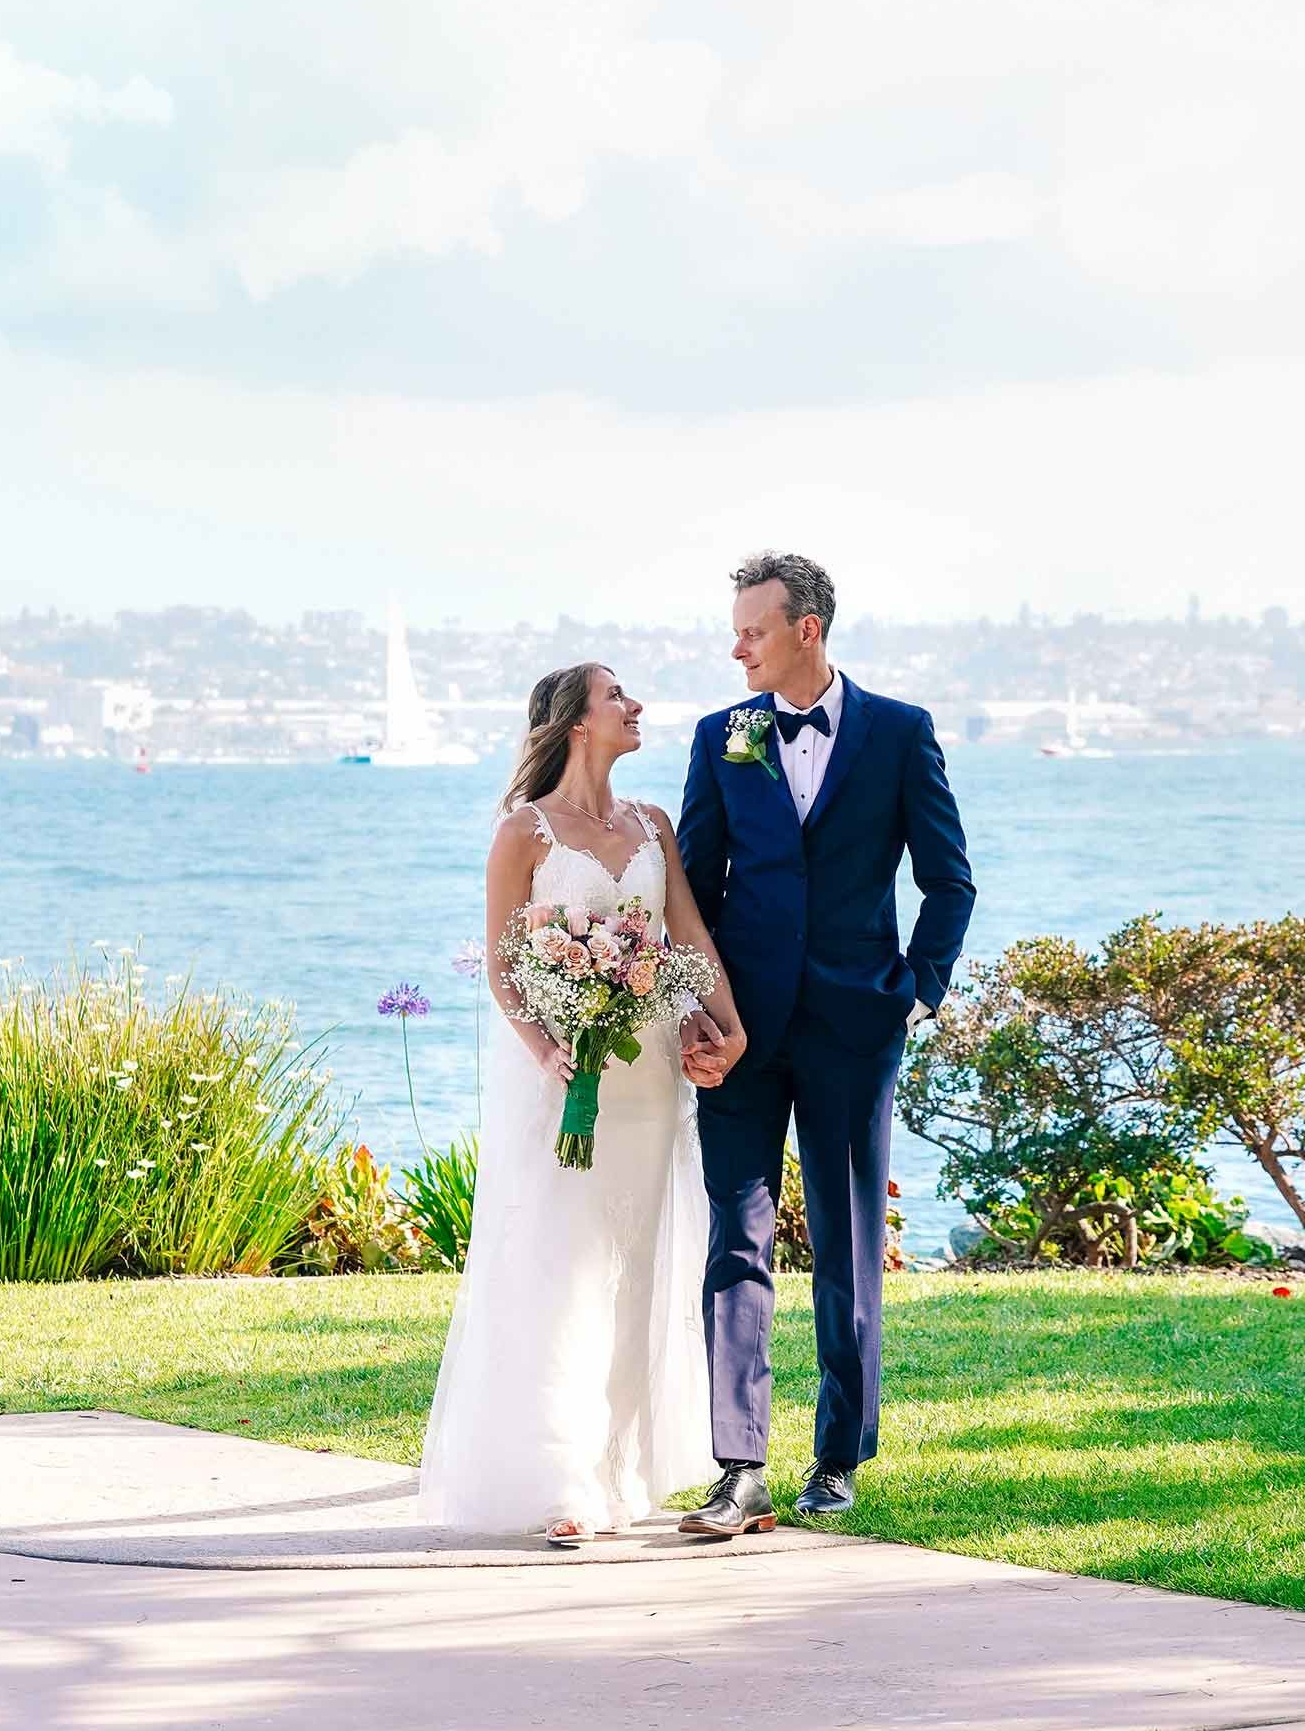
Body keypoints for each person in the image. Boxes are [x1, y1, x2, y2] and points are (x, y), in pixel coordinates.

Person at [675, 551, 976, 1536]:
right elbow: (690, 888)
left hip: (855, 1023)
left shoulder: (897, 732)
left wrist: (915, 995)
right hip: (739, 1034)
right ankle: (737, 1465)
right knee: (736, 1239)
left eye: (751, 630)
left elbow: (948, 880)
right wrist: (695, 1007)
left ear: (805, 628)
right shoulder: (719, 738)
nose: (735, 647)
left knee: (846, 1247)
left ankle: (838, 1456)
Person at [416, 662, 746, 1548]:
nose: (635, 706)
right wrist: (549, 1052)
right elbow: (502, 965)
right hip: (565, 1082)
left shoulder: (652, 825)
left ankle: (616, 1469)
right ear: (576, 724)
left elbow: (689, 934)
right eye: (617, 697)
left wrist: (729, 1025)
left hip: (646, 1082)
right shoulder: (521, 834)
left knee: (634, 1269)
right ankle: (561, 1479)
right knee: (560, 1269)